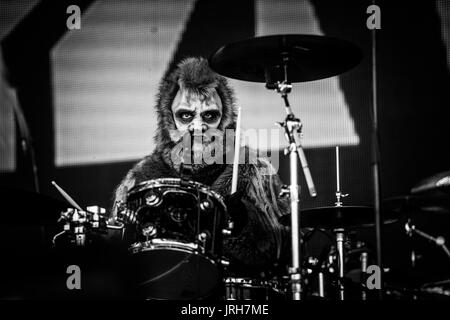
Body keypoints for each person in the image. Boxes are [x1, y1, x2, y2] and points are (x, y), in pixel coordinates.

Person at [111, 57, 289, 277]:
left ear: (225, 120)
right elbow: (121, 258)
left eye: (209, 115)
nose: (198, 126)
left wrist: (241, 220)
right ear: (169, 121)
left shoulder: (252, 169)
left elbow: (281, 253)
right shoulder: (142, 177)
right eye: (186, 115)